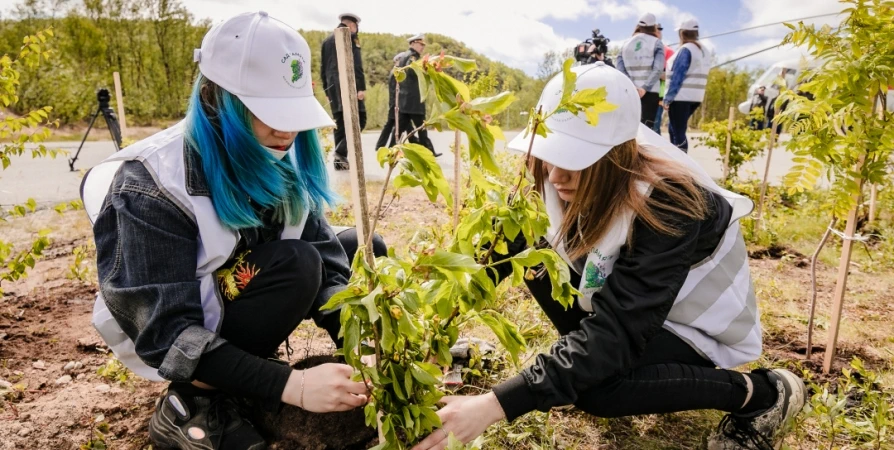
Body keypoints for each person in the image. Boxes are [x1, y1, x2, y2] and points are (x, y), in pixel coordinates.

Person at [410, 63, 806, 450]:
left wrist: (494, 405)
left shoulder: (672, 200)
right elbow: (492, 254)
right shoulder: (548, 172)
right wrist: (430, 332)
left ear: (617, 155)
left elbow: (620, 329)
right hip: (624, 300)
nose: (555, 176)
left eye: (575, 159)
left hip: (688, 324)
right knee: (521, 246)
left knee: (598, 389)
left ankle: (762, 394)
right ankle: (587, 364)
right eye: (551, 153)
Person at [80, 12, 385, 450]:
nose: (287, 130)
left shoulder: (281, 148)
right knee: (297, 265)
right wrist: (293, 387)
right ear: (214, 99)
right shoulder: (149, 186)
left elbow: (325, 253)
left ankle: (243, 376)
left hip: (236, 293)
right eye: (266, 112)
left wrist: (361, 345)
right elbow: (169, 335)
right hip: (170, 326)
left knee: (359, 246)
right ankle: (194, 401)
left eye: (293, 113)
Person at [320, 13, 367, 170]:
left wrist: (326, 89)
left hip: (332, 88)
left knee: (340, 123)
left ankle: (339, 162)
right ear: (352, 26)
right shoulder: (350, 38)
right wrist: (360, 88)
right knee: (360, 119)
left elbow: (323, 68)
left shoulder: (327, 40)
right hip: (348, 86)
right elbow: (356, 66)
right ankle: (340, 152)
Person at [664, 18, 711, 152]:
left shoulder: (686, 49)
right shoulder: (704, 50)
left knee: (677, 132)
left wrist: (668, 98)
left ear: (682, 33)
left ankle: (681, 163)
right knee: (674, 129)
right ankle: (676, 159)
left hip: (681, 96)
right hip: (696, 97)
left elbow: (678, 75)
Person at [616, 13, 665, 129]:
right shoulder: (657, 43)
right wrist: (644, 88)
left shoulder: (625, 44)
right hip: (650, 92)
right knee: (647, 129)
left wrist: (632, 86)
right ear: (654, 27)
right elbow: (658, 69)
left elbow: (620, 69)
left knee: (629, 128)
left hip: (629, 92)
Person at [397, 34, 440, 157]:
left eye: (423, 45)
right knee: (421, 128)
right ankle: (427, 153)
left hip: (404, 100)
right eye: (420, 44)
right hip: (414, 100)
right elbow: (413, 72)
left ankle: (392, 150)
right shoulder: (412, 57)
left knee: (401, 129)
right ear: (413, 43)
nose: (422, 47)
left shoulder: (404, 56)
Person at [375, 50, 410, 150]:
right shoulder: (396, 72)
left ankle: (381, 146)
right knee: (393, 125)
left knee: (395, 125)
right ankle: (386, 146)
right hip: (396, 103)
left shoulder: (395, 72)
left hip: (395, 103)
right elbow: (397, 90)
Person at [653, 23, 674, 135]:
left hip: (659, 96)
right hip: (643, 95)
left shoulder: (668, 51)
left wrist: (655, 73)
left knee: (655, 128)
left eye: (658, 30)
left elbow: (671, 75)